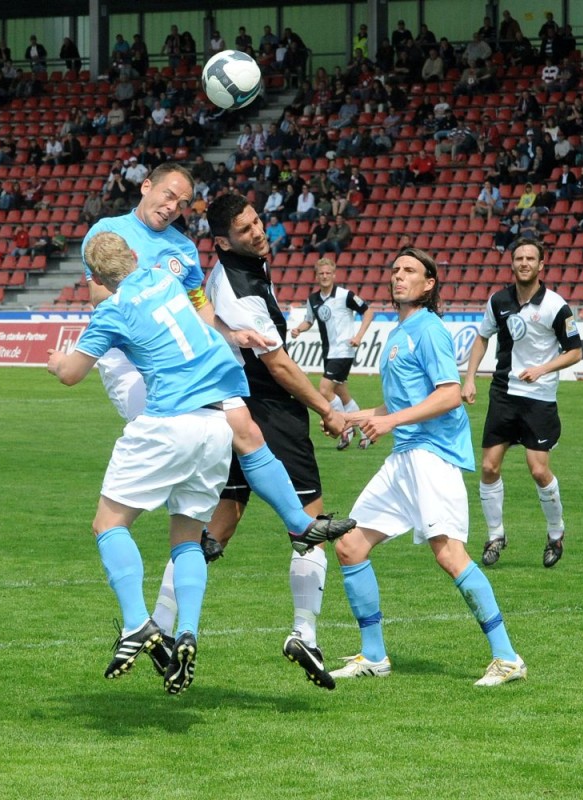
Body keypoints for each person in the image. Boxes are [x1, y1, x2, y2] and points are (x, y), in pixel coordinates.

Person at [82, 165, 354, 686]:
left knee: (214, 509)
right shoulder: (108, 235)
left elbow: (200, 311)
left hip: (198, 368)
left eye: (182, 202)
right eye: (166, 196)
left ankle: (164, 629)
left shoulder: (185, 251)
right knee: (197, 462)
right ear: (146, 187)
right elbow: (103, 299)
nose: (171, 207)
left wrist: (226, 335)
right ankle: (295, 575)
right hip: (139, 363)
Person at [47, 231, 249, 694]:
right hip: (215, 424)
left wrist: (58, 360)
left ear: (95, 277)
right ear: (135, 257)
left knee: (108, 524)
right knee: (187, 539)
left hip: (166, 424)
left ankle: (137, 623)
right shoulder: (162, 276)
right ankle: (187, 631)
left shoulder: (111, 311)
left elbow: (73, 375)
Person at [328, 246, 526, 687]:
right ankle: (374, 656)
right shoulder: (397, 332)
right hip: (404, 458)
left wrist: (388, 421)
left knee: (450, 555)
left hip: (433, 457)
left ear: (429, 283)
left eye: (410, 271)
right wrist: (357, 418)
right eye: (395, 269)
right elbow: (402, 402)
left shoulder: (430, 328)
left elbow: (449, 394)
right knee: (349, 547)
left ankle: (508, 658)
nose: (399, 276)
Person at [197, 193, 355, 691]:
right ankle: (304, 632)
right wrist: (328, 409)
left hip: (232, 407)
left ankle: (165, 621)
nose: (258, 231)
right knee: (310, 519)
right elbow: (280, 364)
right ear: (221, 241)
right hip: (269, 412)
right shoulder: (240, 286)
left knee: (224, 518)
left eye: (257, 222)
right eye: (245, 230)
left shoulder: (235, 269)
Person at [461, 239, 583, 569]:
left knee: (539, 470)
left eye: (531, 258)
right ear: (512, 263)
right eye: (519, 258)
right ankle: (495, 535)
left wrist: (543, 368)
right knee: (488, 468)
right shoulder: (498, 301)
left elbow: (575, 351)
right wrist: (470, 377)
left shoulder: (557, 306)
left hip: (539, 399)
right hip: (503, 394)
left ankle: (556, 534)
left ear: (541, 265)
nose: (524, 263)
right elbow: (482, 337)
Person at [291, 257, 374, 451]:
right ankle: (366, 432)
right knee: (342, 394)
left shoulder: (345, 295)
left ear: (334, 275)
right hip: (328, 352)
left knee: (325, 389)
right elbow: (309, 321)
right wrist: (299, 329)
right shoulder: (313, 300)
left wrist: (359, 336)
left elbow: (368, 311)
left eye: (328, 273)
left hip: (344, 350)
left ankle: (345, 429)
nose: (325, 276)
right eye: (321, 273)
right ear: (317, 276)